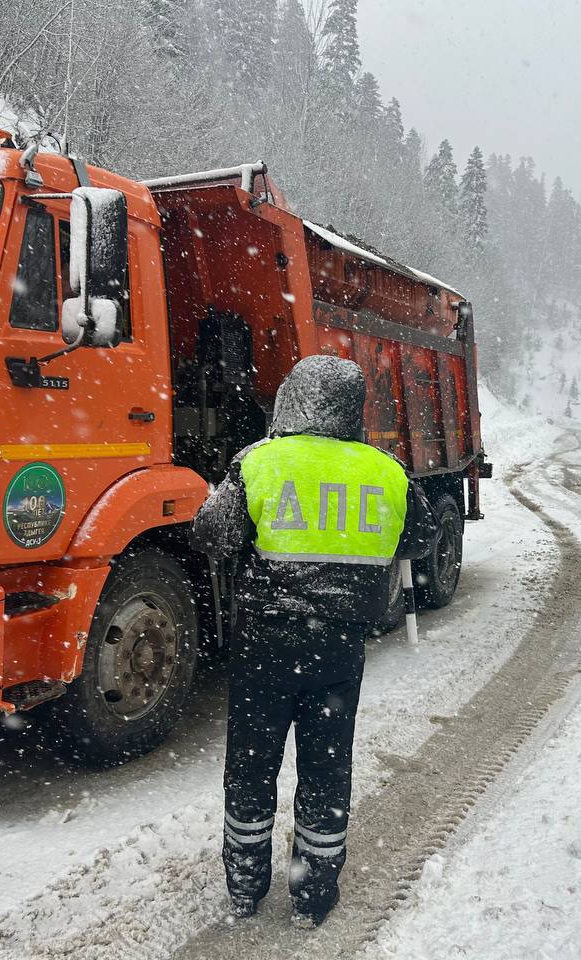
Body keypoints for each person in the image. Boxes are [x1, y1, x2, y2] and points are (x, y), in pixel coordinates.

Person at [190, 354, 436, 928]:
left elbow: (212, 534)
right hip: (339, 650)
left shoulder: (259, 462)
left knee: (251, 766)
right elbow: (420, 541)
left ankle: (246, 886)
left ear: (290, 400)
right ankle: (313, 894)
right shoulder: (387, 472)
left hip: (264, 645)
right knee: (327, 768)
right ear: (353, 409)